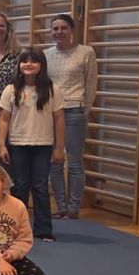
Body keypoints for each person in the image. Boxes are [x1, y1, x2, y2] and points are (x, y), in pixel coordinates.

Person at [0, 48, 65, 242]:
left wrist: (59, 148)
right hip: (17, 144)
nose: (28, 64)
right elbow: (4, 119)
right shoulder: (11, 90)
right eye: (24, 61)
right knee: (19, 186)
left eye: (33, 61)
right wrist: (2, 145)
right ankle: (18, 228)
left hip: (43, 144)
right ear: (19, 65)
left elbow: (59, 119)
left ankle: (43, 228)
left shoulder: (53, 89)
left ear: (41, 65)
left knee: (40, 186)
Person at [45, 14, 96, 219]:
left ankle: (74, 209)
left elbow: (91, 83)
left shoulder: (85, 52)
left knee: (74, 162)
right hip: (50, 112)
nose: (59, 32)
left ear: (71, 31)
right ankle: (61, 206)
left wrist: (85, 109)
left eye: (63, 28)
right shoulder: (46, 54)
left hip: (75, 110)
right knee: (54, 161)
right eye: (55, 28)